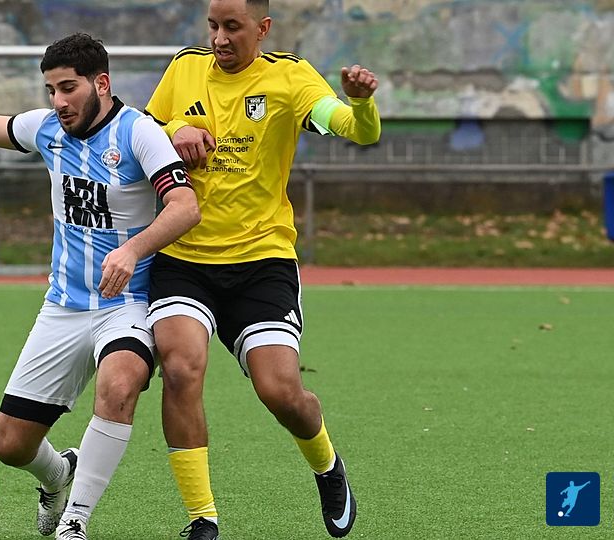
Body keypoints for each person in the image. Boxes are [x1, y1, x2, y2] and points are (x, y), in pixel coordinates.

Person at [0, 33, 200, 540]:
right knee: (11, 445)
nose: (58, 101)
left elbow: (185, 206)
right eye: (51, 90)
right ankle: (59, 475)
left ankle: (75, 521)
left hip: (126, 304)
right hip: (63, 306)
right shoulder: (47, 130)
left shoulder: (139, 133)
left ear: (101, 84)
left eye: (68, 88)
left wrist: (133, 250)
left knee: (119, 385)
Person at [142, 1, 380, 538]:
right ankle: (202, 518)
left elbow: (353, 129)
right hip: (186, 259)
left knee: (281, 392)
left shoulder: (290, 78)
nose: (220, 38)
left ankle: (327, 467)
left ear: (263, 28)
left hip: (262, 263)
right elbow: (141, 132)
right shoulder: (184, 68)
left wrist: (361, 103)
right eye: (213, 26)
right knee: (180, 371)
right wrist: (176, 128)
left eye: (233, 27)